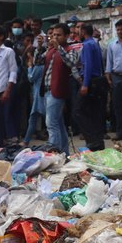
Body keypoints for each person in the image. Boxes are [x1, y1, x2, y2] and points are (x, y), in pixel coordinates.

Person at [43, 24, 74, 153]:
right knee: (59, 124)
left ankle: (53, 153)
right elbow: (38, 61)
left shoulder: (69, 50)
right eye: (53, 35)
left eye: (58, 35)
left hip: (57, 92)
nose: (55, 37)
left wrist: (59, 49)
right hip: (47, 90)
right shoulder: (50, 50)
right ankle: (64, 153)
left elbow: (71, 63)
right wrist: (39, 48)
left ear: (67, 36)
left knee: (51, 124)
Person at [77, 24, 107, 151]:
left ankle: (92, 139)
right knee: (94, 112)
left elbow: (88, 65)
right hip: (98, 80)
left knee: (79, 111)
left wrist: (85, 84)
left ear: (83, 32)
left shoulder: (88, 45)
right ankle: (97, 141)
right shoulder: (95, 44)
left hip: (91, 81)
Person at [22, 40, 46, 147]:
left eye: (30, 57)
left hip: (39, 95)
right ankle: (26, 141)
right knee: (34, 118)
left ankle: (26, 141)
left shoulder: (38, 66)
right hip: (39, 94)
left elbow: (31, 78)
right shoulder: (42, 65)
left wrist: (30, 67)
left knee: (48, 120)